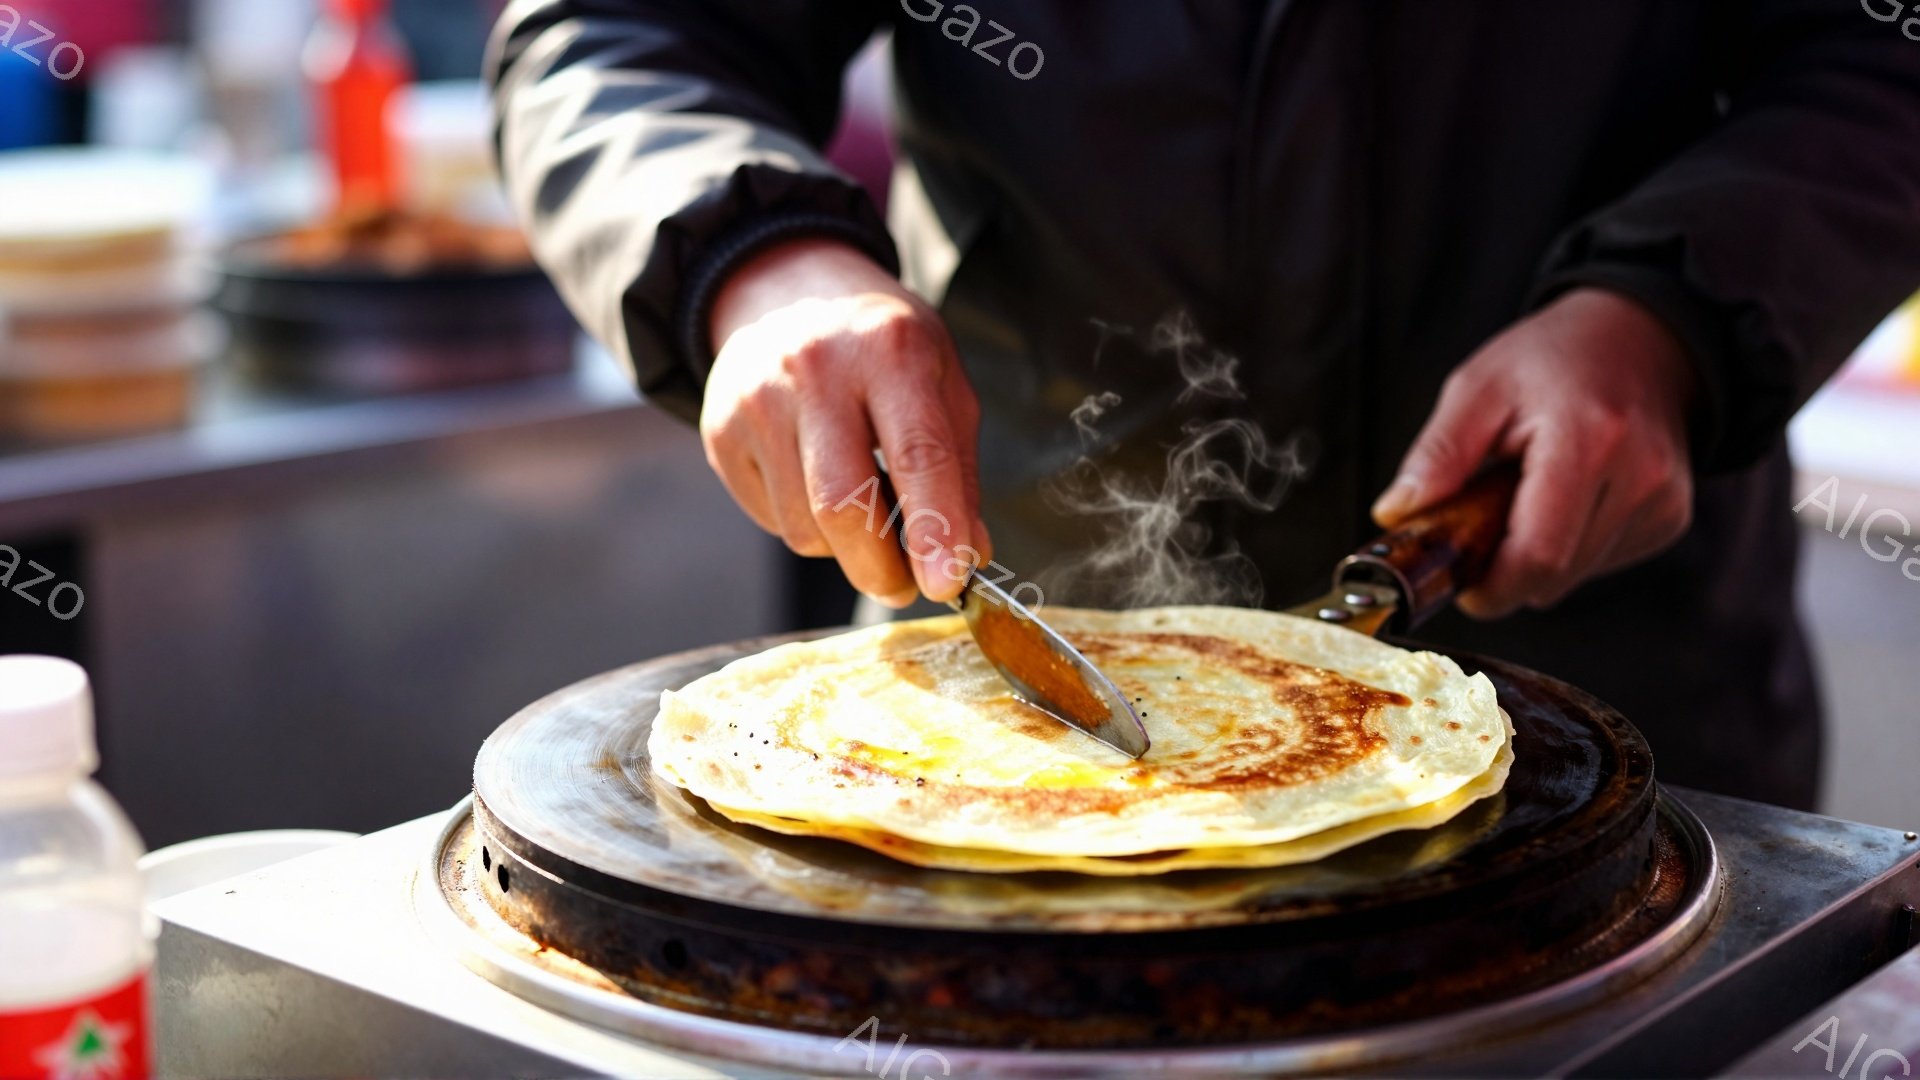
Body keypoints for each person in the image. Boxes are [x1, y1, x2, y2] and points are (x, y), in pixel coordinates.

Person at [488, 1, 1920, 810]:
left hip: (1608, 708)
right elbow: (619, 28)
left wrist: (1673, 313)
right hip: (982, 701)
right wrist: (756, 259)